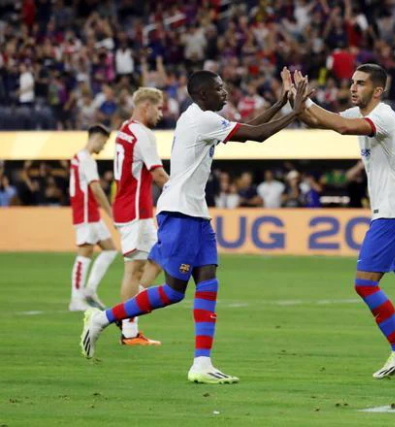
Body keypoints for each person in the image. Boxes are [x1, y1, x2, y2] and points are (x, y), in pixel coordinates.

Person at [81, 70, 310, 385]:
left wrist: (282, 102)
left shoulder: (203, 118)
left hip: (196, 213)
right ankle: (102, 318)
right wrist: (295, 113)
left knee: (208, 284)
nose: (225, 91)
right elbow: (256, 136)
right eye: (218, 88)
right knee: (174, 291)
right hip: (179, 213)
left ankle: (202, 363)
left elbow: (252, 126)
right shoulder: (199, 120)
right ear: (202, 94)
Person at [283, 64, 395, 380]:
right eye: (352, 82)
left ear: (377, 90)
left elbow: (339, 126)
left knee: (365, 283)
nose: (353, 87)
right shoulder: (360, 114)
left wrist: (305, 102)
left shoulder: (383, 116)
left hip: (392, 214)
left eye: (361, 83)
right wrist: (297, 99)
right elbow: (316, 122)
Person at [112, 87, 170, 346]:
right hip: (133, 210)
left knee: (160, 259)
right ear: (146, 106)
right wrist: (182, 193)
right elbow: (157, 174)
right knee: (134, 269)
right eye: (158, 108)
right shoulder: (143, 134)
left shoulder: (126, 128)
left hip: (137, 208)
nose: (161, 114)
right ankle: (128, 330)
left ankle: (126, 314)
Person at [68, 125, 118, 311]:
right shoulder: (86, 160)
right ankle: (76, 298)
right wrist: (111, 214)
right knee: (85, 252)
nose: (103, 147)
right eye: (103, 143)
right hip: (86, 213)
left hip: (91, 213)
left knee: (110, 249)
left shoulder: (78, 157)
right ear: (96, 138)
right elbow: (96, 189)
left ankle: (89, 290)